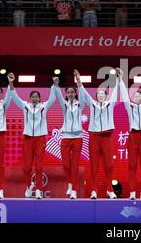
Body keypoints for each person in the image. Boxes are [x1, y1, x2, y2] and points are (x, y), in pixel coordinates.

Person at [7, 73, 57, 199]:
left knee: (39, 167)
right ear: (30, 98)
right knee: (26, 167)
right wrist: (11, 82)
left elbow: (52, 99)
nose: (35, 99)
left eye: (37, 97)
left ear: (40, 99)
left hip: (40, 139)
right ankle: (29, 185)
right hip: (28, 139)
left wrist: (54, 85)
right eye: (33, 97)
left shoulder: (44, 106)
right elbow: (14, 96)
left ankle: (39, 190)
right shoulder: (25, 106)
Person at [78, 69, 120, 199]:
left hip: (106, 137)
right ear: (96, 96)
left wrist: (118, 79)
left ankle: (109, 189)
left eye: (103, 93)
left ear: (106, 96)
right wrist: (79, 81)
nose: (101, 95)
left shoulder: (109, 104)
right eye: (99, 93)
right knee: (94, 165)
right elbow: (84, 93)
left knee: (109, 165)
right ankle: (94, 190)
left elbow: (115, 92)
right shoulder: (92, 104)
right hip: (94, 137)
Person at [118, 68, 141, 200]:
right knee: (132, 165)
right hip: (133, 136)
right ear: (132, 99)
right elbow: (123, 93)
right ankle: (132, 192)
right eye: (135, 96)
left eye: (139, 96)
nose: (137, 97)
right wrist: (121, 79)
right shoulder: (130, 107)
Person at [53, 70, 86, 199]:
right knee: (66, 164)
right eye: (68, 92)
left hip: (78, 137)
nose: (70, 94)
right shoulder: (64, 105)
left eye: (72, 92)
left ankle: (75, 190)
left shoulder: (80, 104)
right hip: (66, 137)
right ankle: (70, 183)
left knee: (75, 165)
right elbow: (58, 96)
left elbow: (82, 94)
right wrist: (56, 85)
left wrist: (78, 81)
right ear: (66, 94)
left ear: (75, 93)